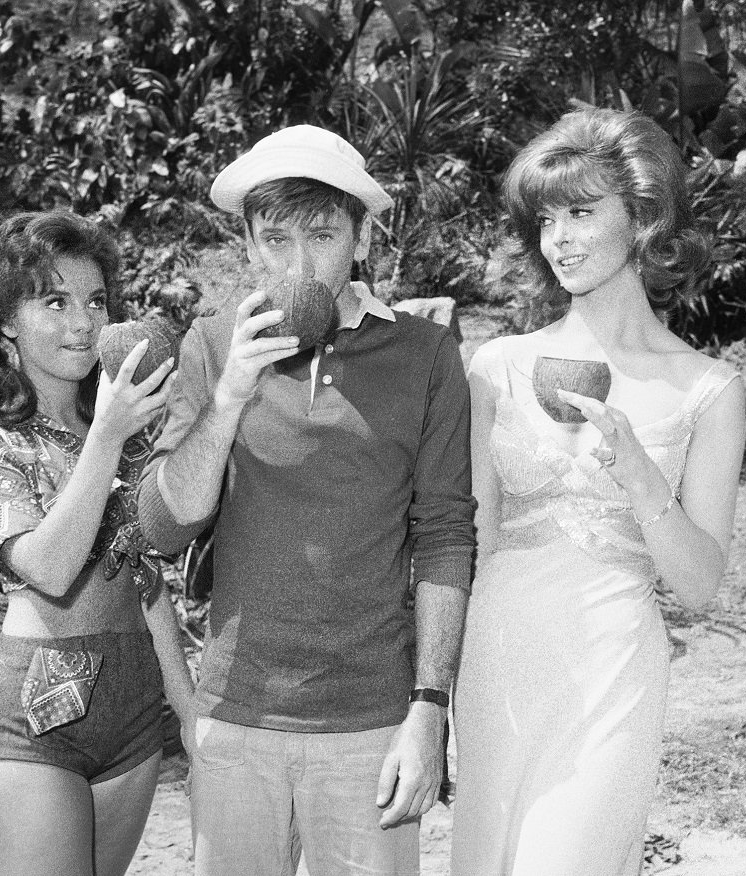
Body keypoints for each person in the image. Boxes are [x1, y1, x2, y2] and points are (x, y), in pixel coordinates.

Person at [136, 124, 476, 876]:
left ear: (359, 238)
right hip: (236, 715)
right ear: (251, 247)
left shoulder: (424, 354)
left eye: (321, 235)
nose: (298, 263)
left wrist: (430, 709)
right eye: (275, 238)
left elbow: (447, 535)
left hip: (371, 723)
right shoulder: (212, 343)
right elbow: (159, 529)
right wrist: (227, 399)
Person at [451, 107, 746, 875]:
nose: (561, 239)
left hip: (616, 660)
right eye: (547, 218)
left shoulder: (708, 388)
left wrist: (642, 476)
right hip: (498, 653)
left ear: (642, 217)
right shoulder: (497, 366)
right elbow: (469, 541)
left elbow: (701, 585)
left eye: (582, 212)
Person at [0, 211, 195, 876]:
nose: (82, 323)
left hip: (133, 712)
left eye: (94, 301)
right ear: (6, 321)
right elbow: (50, 570)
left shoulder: (128, 432)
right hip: (30, 717)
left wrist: (187, 708)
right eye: (54, 302)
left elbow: (145, 580)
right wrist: (108, 438)